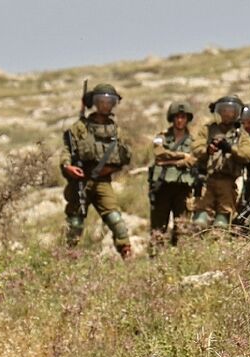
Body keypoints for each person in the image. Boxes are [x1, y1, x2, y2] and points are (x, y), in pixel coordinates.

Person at [60, 83, 133, 257]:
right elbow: (67, 151)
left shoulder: (116, 130)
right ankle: (68, 259)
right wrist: (67, 166)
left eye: (109, 102)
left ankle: (127, 253)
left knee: (116, 220)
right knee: (75, 223)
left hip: (103, 182)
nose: (105, 105)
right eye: (102, 101)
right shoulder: (80, 128)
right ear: (94, 102)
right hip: (81, 181)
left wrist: (112, 167)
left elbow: (126, 154)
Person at [191, 95, 250, 228]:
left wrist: (231, 149)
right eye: (224, 110)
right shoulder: (207, 129)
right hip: (207, 180)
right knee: (199, 221)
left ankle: (220, 245)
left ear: (237, 113)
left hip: (228, 181)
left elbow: (247, 155)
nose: (227, 114)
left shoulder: (241, 135)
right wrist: (208, 150)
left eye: (231, 111)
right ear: (219, 112)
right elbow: (196, 148)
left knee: (222, 222)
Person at [148, 101, 198, 253]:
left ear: (187, 118)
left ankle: (179, 259)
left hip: (183, 187)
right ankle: (156, 260)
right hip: (162, 186)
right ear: (172, 118)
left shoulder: (194, 141)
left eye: (183, 117)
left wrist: (168, 161)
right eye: (177, 117)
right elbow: (159, 154)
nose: (180, 120)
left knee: (182, 227)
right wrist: (182, 157)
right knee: (158, 228)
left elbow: (194, 159)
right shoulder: (161, 137)